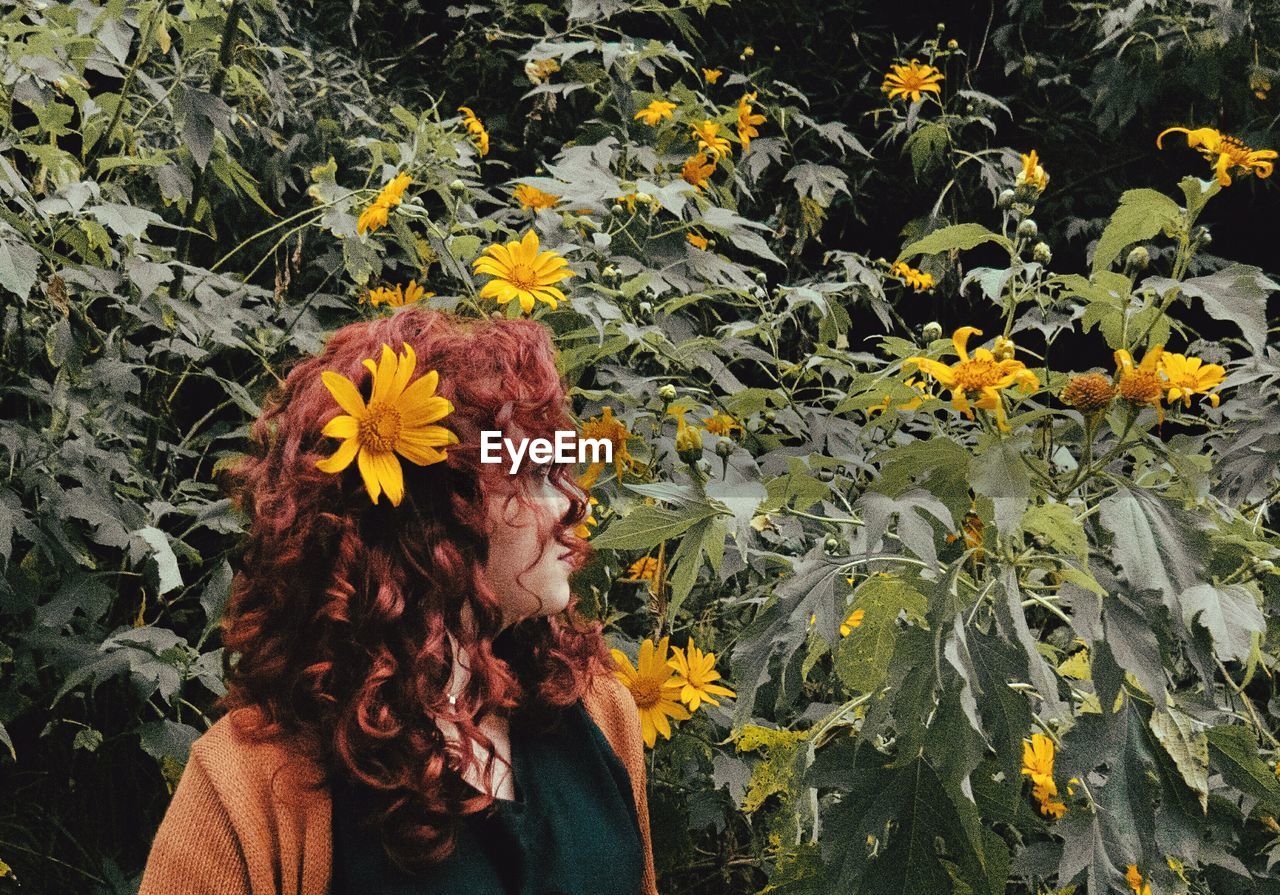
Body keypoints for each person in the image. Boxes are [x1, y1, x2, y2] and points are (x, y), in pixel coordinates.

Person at [138, 308, 658, 895]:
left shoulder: (596, 708)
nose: (570, 505)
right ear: (435, 520)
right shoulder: (254, 777)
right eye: (534, 475)